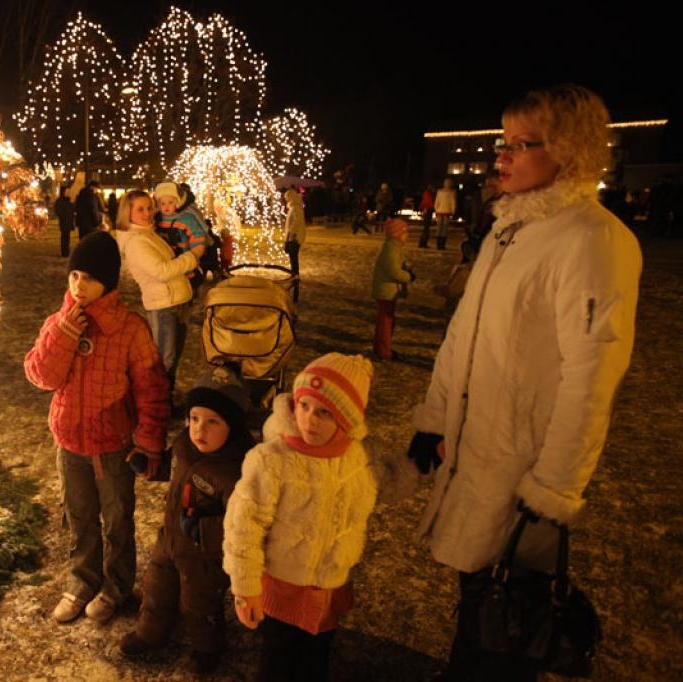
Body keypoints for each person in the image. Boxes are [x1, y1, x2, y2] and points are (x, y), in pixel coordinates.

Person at [406, 84, 642, 681]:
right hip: (476, 450)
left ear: (569, 150)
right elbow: (464, 336)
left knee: (508, 621)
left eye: (521, 144)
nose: (501, 158)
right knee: (479, 603)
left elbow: (592, 376)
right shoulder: (512, 229)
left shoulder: (592, 240)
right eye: (501, 143)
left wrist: (553, 490)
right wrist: (433, 421)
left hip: (522, 470)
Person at [224, 353, 415, 682]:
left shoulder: (354, 458)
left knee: (314, 662)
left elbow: (379, 487)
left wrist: (420, 462)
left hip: (330, 590)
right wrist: (245, 587)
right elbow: (244, 526)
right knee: (278, 663)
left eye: (324, 412)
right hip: (284, 589)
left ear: (347, 420)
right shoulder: (272, 461)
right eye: (304, 406)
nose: (309, 420)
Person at [24, 232, 171, 624]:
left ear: (108, 281)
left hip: (112, 446)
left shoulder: (129, 329)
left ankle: (116, 586)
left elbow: (152, 390)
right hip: (70, 443)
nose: (79, 285)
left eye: (89, 278)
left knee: (118, 518)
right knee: (79, 516)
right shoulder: (60, 322)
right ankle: (82, 581)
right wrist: (65, 334)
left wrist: (150, 443)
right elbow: (41, 376)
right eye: (74, 276)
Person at [119, 365, 255, 675]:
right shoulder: (185, 444)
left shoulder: (237, 470)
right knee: (156, 587)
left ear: (232, 426)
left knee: (198, 605)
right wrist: (149, 467)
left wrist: (208, 530)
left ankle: (207, 648)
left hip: (205, 556)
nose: (199, 430)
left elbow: (244, 520)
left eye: (212, 422)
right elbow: (173, 466)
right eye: (194, 419)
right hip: (168, 539)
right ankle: (151, 633)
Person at [114, 189, 204, 393]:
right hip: (164, 306)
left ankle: (165, 401)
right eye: (140, 209)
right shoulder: (136, 241)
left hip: (174, 302)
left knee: (170, 361)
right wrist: (192, 256)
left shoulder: (148, 233)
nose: (147, 213)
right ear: (128, 213)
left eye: (149, 207)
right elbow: (161, 271)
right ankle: (156, 406)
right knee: (163, 362)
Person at [371, 218, 415, 360]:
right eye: (405, 232)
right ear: (398, 234)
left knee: (384, 321)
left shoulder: (394, 247)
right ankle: (384, 350)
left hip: (387, 290)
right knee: (386, 322)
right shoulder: (391, 248)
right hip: (386, 292)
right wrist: (408, 276)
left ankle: (380, 347)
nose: (407, 235)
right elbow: (393, 272)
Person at [432, 239, 477, 325]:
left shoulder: (465, 271)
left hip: (457, 310)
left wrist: (440, 289)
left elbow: (452, 291)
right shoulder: (476, 269)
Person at [283, 188, 306, 280]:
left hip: (295, 237)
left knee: (293, 256)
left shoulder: (296, 207)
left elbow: (296, 222)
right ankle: (294, 273)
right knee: (292, 256)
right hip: (293, 236)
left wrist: (292, 234)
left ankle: (295, 274)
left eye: (287, 197)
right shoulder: (293, 207)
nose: (286, 199)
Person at [433, 178, 457, 249]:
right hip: (446, 212)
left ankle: (439, 244)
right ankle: (441, 244)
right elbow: (453, 203)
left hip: (441, 212)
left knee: (440, 228)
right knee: (443, 228)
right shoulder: (451, 192)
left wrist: (437, 209)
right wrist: (453, 211)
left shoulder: (440, 192)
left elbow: (436, 202)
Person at [54, 185, 75, 257]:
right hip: (64, 221)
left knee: (67, 237)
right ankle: (64, 252)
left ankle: (67, 252)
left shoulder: (69, 200)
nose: (68, 193)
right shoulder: (60, 201)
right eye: (67, 191)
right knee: (64, 238)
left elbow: (72, 209)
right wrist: (63, 216)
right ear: (63, 192)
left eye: (68, 191)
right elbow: (58, 211)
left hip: (69, 221)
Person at [418, 184, 435, 248]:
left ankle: (423, 243)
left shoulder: (428, 193)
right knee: (426, 228)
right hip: (428, 210)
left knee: (426, 228)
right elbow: (426, 202)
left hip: (428, 210)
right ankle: (423, 243)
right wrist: (425, 208)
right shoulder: (428, 193)